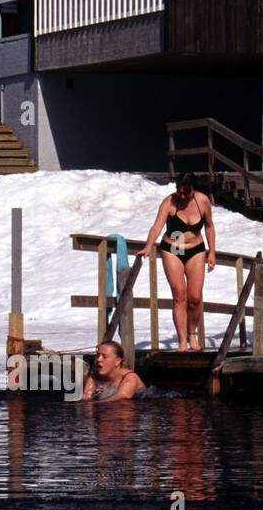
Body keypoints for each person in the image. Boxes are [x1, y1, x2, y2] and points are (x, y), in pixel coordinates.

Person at [136, 171, 216, 352]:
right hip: (173, 248)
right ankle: (182, 341)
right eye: (179, 192)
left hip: (195, 249)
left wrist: (212, 251)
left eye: (185, 193)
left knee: (195, 297)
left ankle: (192, 334)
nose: (181, 196)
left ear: (193, 189)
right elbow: (157, 226)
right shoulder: (169, 202)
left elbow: (210, 226)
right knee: (180, 295)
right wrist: (148, 246)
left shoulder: (202, 201)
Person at [79, 341, 146, 401]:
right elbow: (86, 398)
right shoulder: (95, 377)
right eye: (98, 355)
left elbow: (121, 397)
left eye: (104, 357)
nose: (98, 359)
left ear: (117, 361)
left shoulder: (130, 378)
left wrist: (95, 404)